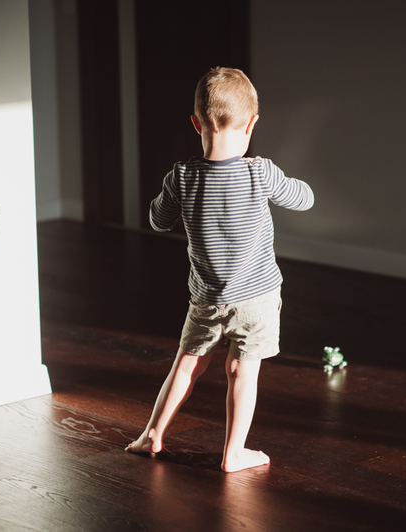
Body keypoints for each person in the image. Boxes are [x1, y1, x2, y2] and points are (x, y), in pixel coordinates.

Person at [125, 67, 314, 472]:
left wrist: (169, 193)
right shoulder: (259, 172)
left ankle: (152, 435)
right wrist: (285, 181)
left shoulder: (182, 176)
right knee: (241, 372)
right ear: (251, 124)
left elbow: (158, 221)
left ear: (197, 124)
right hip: (258, 299)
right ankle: (233, 453)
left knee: (187, 365)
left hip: (207, 299)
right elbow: (304, 198)